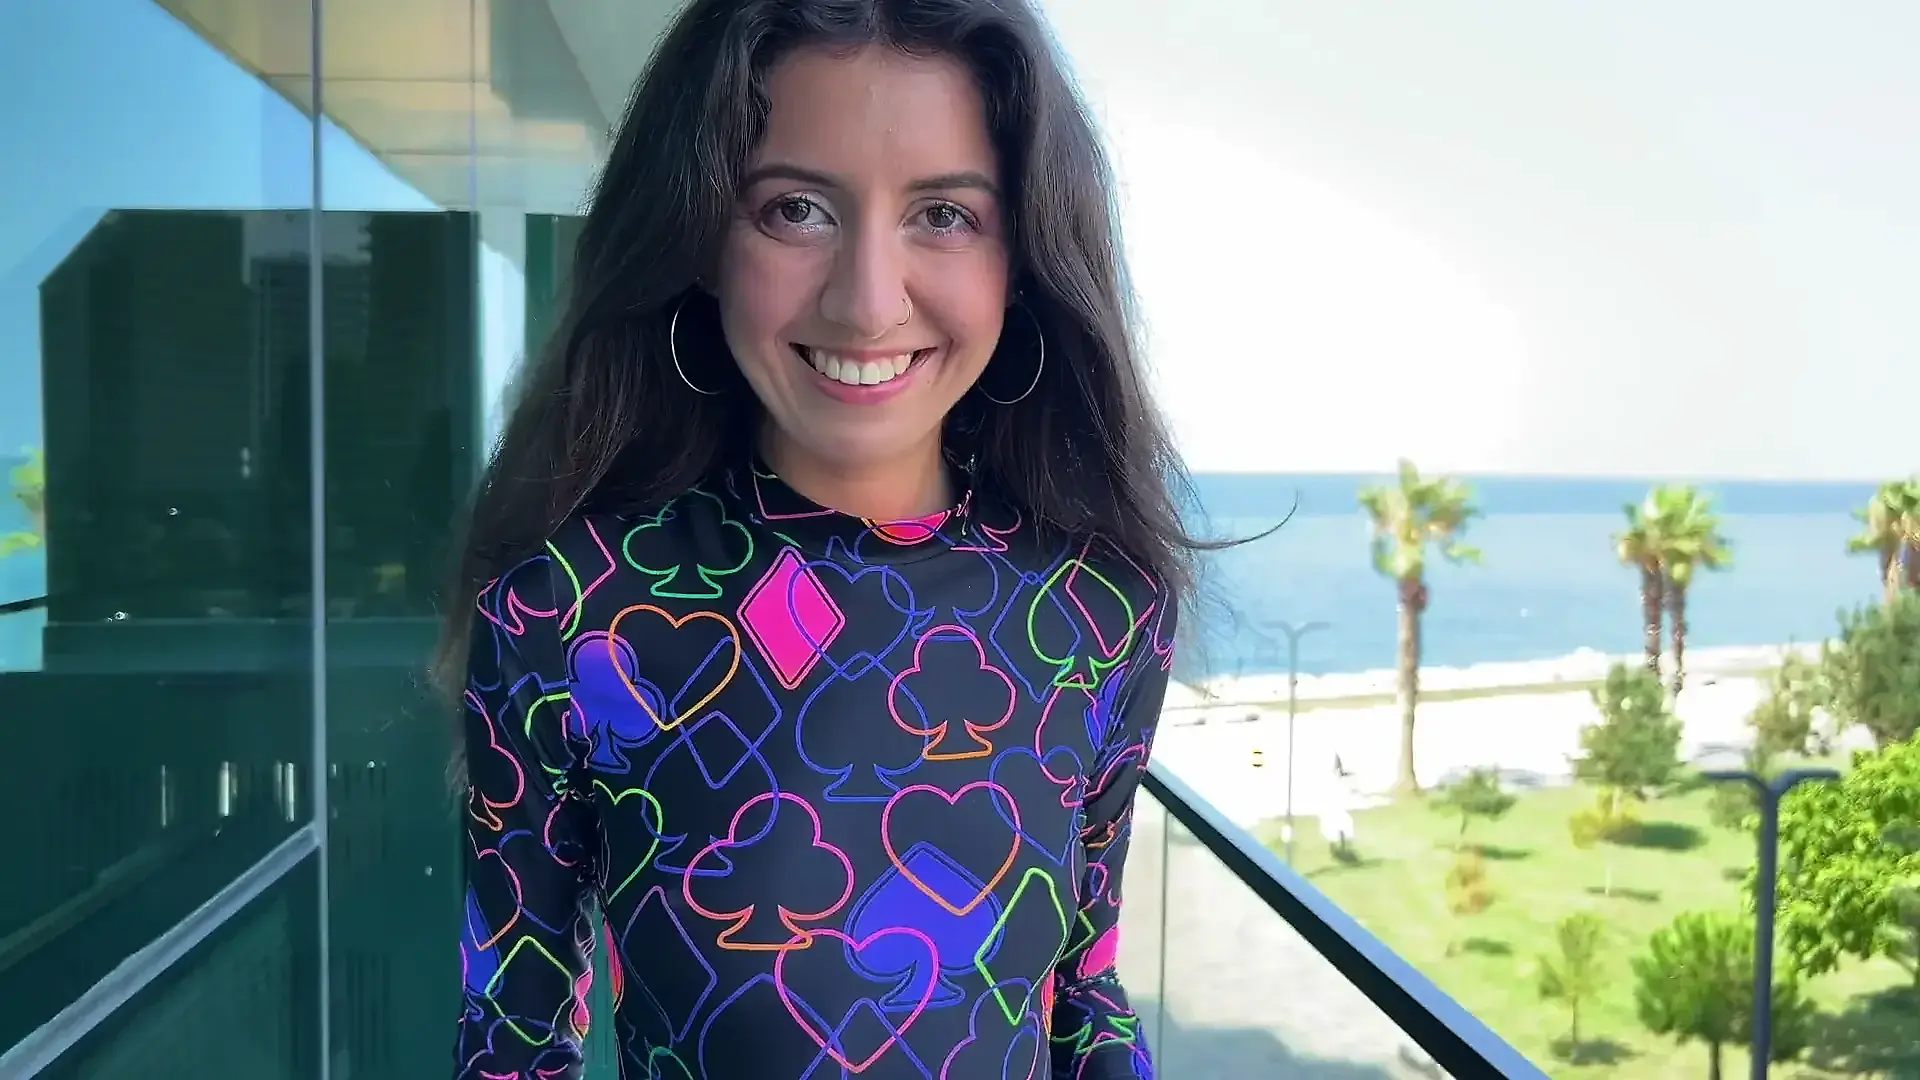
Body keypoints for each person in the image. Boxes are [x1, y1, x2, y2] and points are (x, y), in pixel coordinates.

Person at [444, 0, 1209, 1076]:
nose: (866, 302)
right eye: (796, 209)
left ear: (1024, 258)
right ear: (701, 237)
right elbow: (511, 1036)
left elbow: (1087, 991)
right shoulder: (568, 609)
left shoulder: (1102, 606)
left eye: (944, 215)